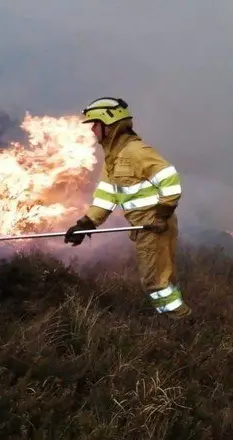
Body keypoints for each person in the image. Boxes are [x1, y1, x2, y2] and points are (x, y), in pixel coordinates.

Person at [64, 97, 191, 320]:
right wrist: (86, 224)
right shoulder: (114, 158)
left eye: (95, 124)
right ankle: (174, 316)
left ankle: (181, 321)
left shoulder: (135, 151)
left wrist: (161, 216)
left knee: (155, 282)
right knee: (163, 278)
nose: (92, 130)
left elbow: (169, 179)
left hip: (154, 226)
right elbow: (106, 197)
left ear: (108, 123)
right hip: (144, 227)